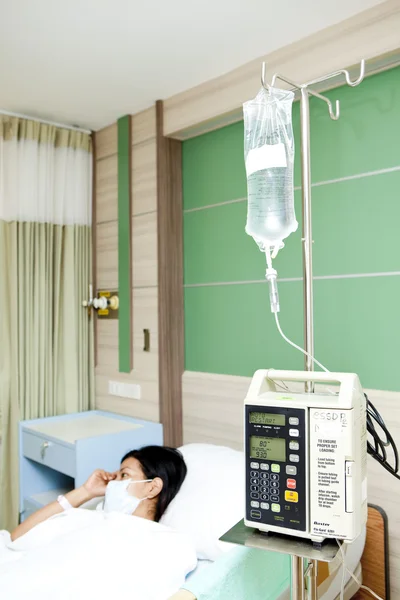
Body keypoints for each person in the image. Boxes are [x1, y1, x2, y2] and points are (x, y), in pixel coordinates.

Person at [11, 445, 186, 542]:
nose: (113, 484)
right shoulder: (94, 518)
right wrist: (86, 492)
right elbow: (16, 538)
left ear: (152, 487)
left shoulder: (159, 542)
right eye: (115, 476)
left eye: (124, 475)